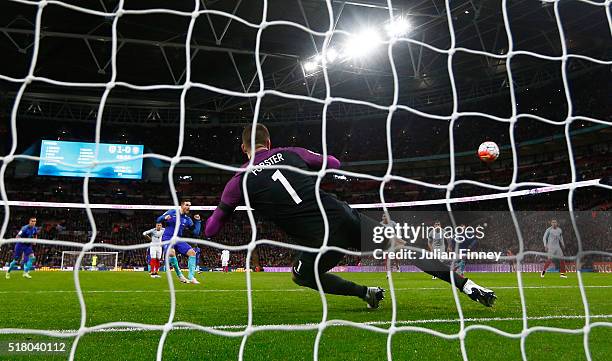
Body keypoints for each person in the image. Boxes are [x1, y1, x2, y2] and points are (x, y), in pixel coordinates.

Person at [205, 124, 496, 308]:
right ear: (268, 142)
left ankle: (365, 293)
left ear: (244, 149)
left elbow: (211, 230)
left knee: (301, 275)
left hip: (320, 241)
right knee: (403, 249)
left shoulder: (237, 182)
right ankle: (467, 285)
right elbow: (333, 162)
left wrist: (230, 206)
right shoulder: (290, 152)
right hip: (343, 215)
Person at [157, 200, 202, 284]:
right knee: (171, 253)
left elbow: (196, 232)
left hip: (178, 239)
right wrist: (164, 218)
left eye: (189, 205)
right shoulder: (172, 212)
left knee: (192, 253)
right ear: (181, 205)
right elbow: (158, 219)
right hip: (168, 238)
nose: (188, 207)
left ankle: (191, 277)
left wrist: (198, 221)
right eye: (187, 205)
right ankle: (180, 276)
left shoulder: (187, 219)